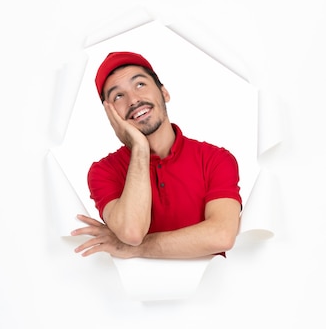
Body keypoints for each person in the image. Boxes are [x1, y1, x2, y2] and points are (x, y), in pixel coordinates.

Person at [70, 51, 242, 259]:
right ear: (111, 115)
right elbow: (132, 233)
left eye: (140, 84)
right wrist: (140, 149)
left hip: (211, 289)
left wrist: (132, 249)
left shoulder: (215, 159)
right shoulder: (104, 172)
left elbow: (221, 236)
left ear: (164, 93)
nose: (133, 100)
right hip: (133, 291)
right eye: (118, 96)